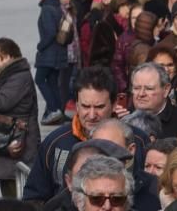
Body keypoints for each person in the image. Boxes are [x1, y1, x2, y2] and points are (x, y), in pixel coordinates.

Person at [23, 67, 116, 203]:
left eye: (99, 107)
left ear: (114, 105)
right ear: (76, 105)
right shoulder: (55, 142)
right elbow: (34, 196)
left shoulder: (134, 141)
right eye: (85, 106)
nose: (91, 115)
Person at [0, 37, 39, 199]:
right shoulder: (12, 75)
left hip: (16, 139)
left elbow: (2, 102)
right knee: (9, 184)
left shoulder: (19, 77)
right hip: (9, 138)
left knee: (16, 190)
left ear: (8, 56)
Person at [34, 0, 71, 124]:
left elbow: (50, 33)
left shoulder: (47, 10)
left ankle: (54, 108)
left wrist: (40, 46)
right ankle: (59, 112)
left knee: (39, 80)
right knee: (52, 82)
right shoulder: (58, 8)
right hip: (59, 53)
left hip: (49, 54)